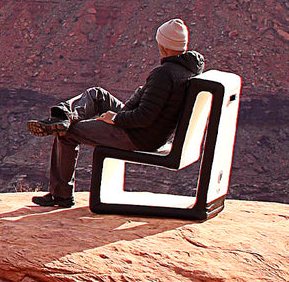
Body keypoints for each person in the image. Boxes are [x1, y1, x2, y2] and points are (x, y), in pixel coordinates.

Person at [28, 18, 205, 207]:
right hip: (148, 130)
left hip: (138, 135)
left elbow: (144, 116)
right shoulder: (188, 70)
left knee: (68, 133)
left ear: (166, 46)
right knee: (98, 95)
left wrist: (115, 118)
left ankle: (60, 195)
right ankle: (64, 115)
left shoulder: (163, 74)